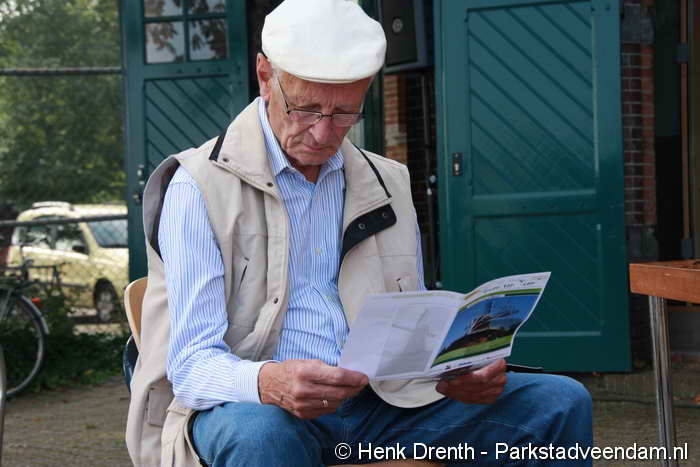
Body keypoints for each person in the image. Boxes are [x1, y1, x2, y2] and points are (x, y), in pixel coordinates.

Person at [126, 1, 593, 466]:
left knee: (559, 403)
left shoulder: (388, 182)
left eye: (345, 113)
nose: (323, 133)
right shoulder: (197, 186)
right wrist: (269, 381)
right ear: (265, 77)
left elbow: (408, 328)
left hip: (380, 406)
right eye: (306, 109)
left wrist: (455, 370)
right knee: (262, 438)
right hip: (257, 408)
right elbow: (190, 366)